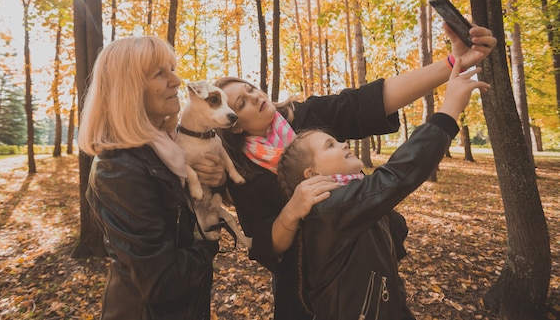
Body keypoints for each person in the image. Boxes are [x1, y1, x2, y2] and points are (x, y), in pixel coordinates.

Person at [203, 24, 497, 320]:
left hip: (370, 263)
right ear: (233, 123)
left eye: (251, 88)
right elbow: (266, 245)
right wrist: (291, 212)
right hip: (308, 294)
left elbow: (367, 102)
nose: (255, 96)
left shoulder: (305, 115)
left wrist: (452, 63)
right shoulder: (243, 174)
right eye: (242, 102)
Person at [275, 57, 490, 319]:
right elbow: (396, 176)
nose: (343, 145)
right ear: (313, 174)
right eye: (330, 145)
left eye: (337, 140)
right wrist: (448, 113)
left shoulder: (347, 196)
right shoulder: (330, 206)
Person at [77, 35, 219, 320]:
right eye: (159, 73)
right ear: (128, 90)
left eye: (173, 68)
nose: (176, 80)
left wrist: (214, 181)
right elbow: (161, 281)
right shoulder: (119, 169)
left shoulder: (167, 150)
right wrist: (209, 241)